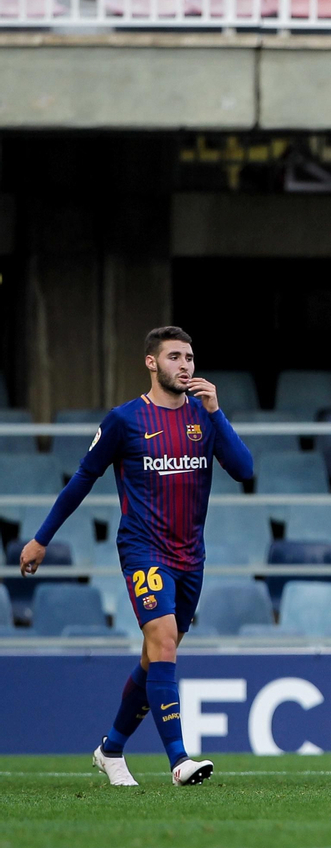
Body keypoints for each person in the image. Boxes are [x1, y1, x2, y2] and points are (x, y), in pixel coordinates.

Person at [19, 326, 253, 787]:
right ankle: (179, 760)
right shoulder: (125, 420)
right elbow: (82, 479)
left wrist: (217, 412)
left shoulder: (203, 418)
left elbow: (245, 470)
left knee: (155, 658)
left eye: (189, 357)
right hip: (144, 549)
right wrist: (42, 538)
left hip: (192, 556)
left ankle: (110, 749)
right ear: (151, 363)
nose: (185, 365)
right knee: (163, 642)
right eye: (174, 357)